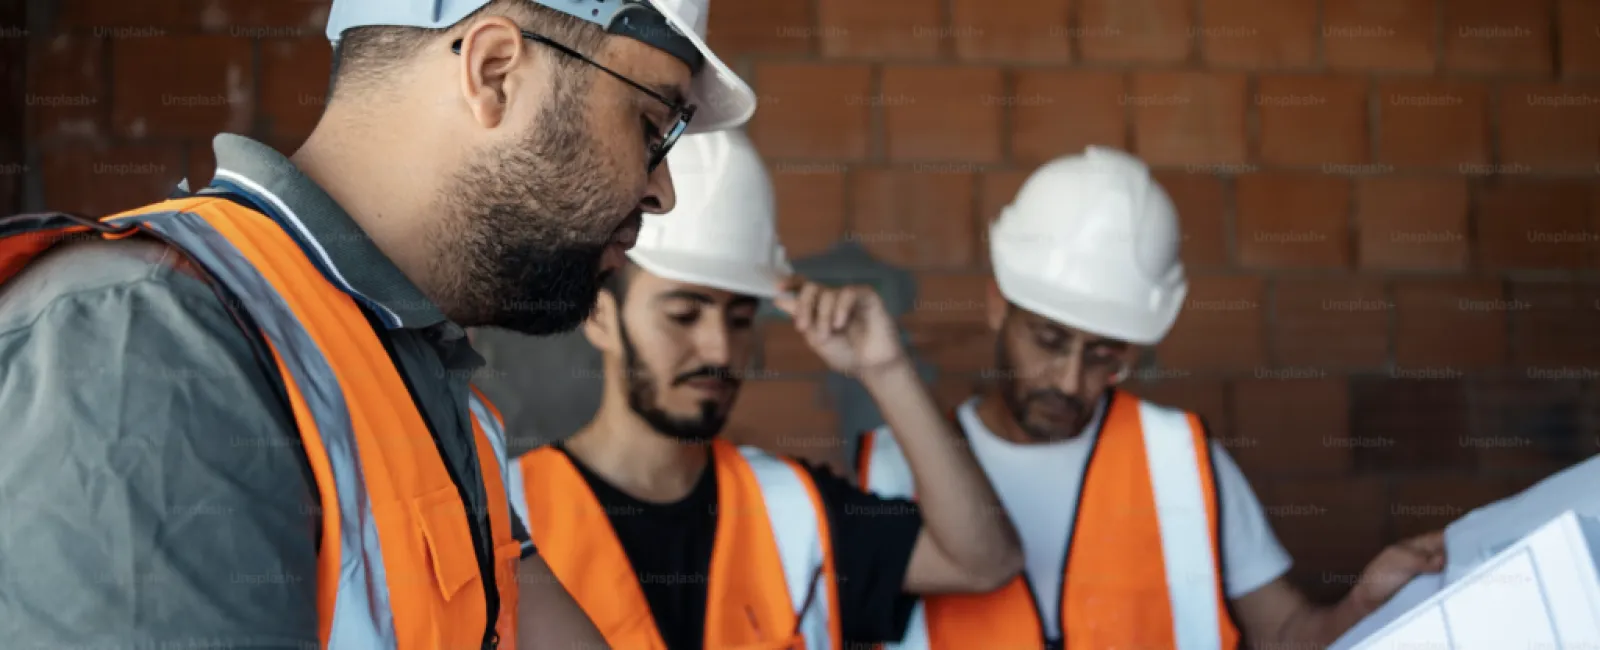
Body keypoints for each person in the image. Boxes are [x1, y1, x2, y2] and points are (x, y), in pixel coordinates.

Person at [0, 0, 755, 648]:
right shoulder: (147, 341)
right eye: (653, 124)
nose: (661, 192)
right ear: (494, 71)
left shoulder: (409, 372)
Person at [853, 146, 1447, 649]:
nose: (1068, 380)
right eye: (1049, 340)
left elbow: (1289, 631)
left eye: (1104, 355)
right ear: (994, 304)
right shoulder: (889, 468)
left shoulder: (1179, 459)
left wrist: (1365, 603)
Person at [506, 128, 1024, 650]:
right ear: (599, 316)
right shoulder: (508, 514)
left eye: (739, 317)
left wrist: (885, 367)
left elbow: (983, 561)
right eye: (683, 315)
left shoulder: (792, 510)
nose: (719, 350)